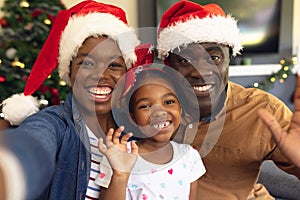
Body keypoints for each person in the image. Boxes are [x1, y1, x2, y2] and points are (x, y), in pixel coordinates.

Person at [156, 1, 300, 199]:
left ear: (228, 59)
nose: (201, 73)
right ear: (169, 66)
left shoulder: (264, 111)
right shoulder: (150, 107)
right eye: (185, 60)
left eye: (213, 58)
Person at [0, 1, 140, 199]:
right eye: (87, 63)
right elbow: (33, 143)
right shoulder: (54, 124)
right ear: (70, 71)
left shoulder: (139, 132)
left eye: (114, 65)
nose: (100, 75)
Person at [96, 65, 206, 200]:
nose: (159, 112)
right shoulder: (119, 155)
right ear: (133, 117)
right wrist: (120, 174)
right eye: (145, 106)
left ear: (180, 108)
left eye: (169, 101)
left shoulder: (189, 157)